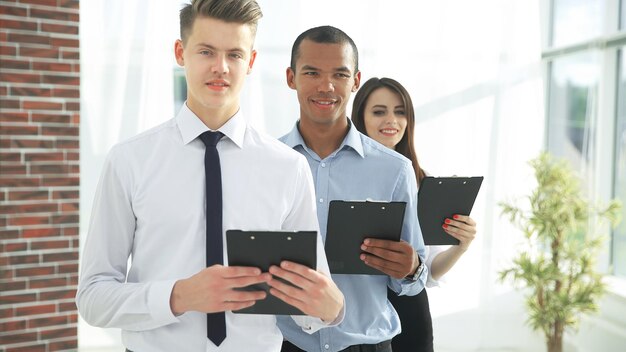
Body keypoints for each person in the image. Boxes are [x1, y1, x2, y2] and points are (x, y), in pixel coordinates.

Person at [75, 1, 345, 351]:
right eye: (206, 51)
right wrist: (179, 296)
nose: (221, 68)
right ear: (180, 52)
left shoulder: (288, 168)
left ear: (250, 62)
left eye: (234, 54)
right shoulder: (129, 161)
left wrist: (331, 309)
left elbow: (310, 301)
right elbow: (93, 297)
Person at [277, 26, 428, 352]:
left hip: (367, 345)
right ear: (291, 77)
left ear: (356, 81)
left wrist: (410, 269)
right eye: (312, 72)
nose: (326, 86)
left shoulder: (394, 170)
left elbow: (416, 281)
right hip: (285, 344)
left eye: (340, 74)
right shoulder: (265, 165)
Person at [351, 77, 478, 352]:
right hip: (359, 310)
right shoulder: (343, 177)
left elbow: (429, 270)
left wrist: (461, 247)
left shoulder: (423, 181)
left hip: (411, 311)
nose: (391, 120)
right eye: (378, 111)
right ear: (360, 117)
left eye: (400, 112)